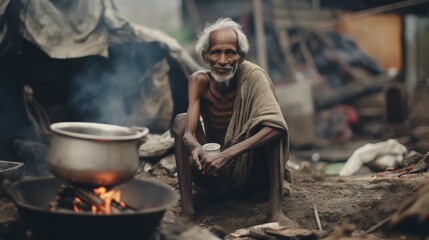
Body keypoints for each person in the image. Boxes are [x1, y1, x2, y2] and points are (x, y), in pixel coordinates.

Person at [171, 17, 298, 226]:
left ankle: (275, 211)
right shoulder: (198, 81)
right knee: (180, 120)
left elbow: (277, 127)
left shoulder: (253, 76)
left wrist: (227, 154)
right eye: (216, 52)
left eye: (230, 52)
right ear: (205, 56)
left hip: (251, 175)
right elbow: (188, 131)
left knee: (271, 125)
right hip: (215, 176)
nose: (222, 61)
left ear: (241, 56)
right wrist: (195, 147)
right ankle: (188, 212)